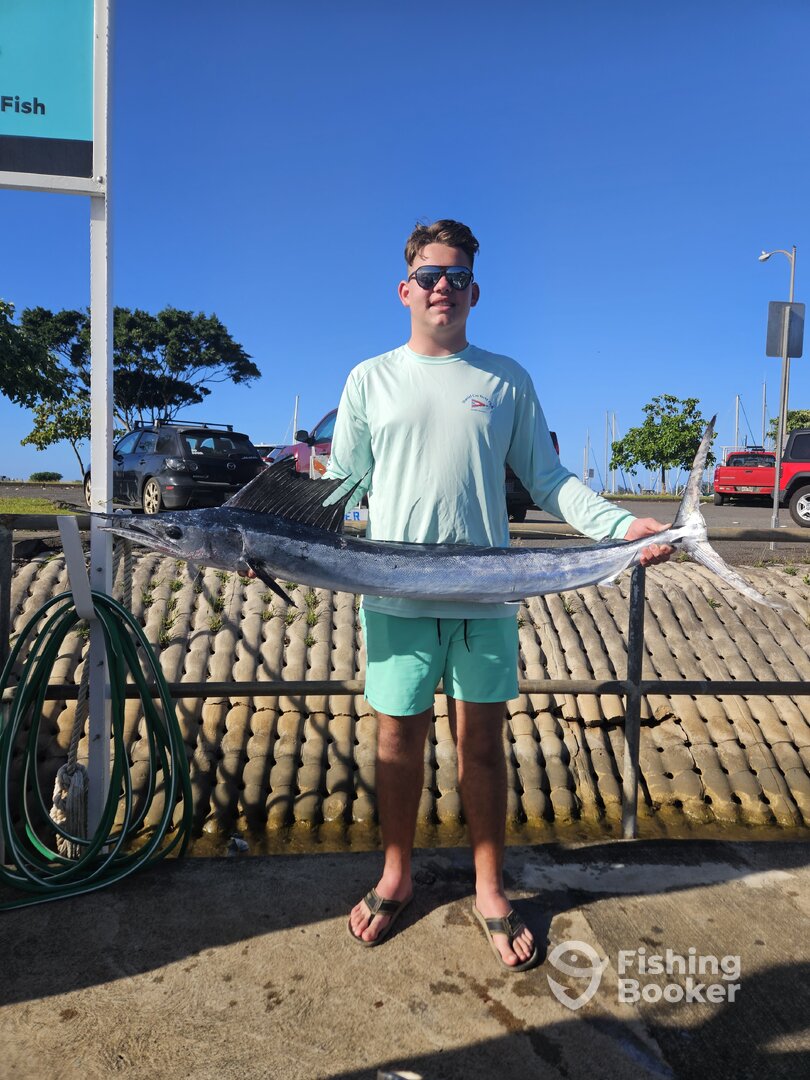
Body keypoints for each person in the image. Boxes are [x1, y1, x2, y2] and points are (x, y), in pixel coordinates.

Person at [326, 219, 672, 971]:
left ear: (474, 292)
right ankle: (395, 874)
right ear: (404, 289)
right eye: (429, 276)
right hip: (394, 597)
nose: (441, 288)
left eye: (456, 277)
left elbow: (548, 480)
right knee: (396, 744)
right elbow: (337, 490)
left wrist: (622, 526)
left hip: (487, 597)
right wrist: (263, 546)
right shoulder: (368, 379)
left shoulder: (506, 379)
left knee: (482, 745)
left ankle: (489, 887)